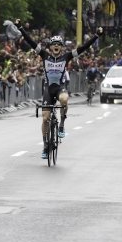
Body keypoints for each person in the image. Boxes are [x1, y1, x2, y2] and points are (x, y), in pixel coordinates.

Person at [17, 20, 103, 159]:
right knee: (45, 118)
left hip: (60, 88)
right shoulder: (44, 55)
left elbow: (83, 48)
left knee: (64, 99)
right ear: (50, 47)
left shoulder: (66, 56)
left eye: (59, 45)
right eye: (54, 45)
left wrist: (96, 36)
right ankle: (45, 145)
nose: (56, 46)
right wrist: (21, 28)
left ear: (62, 47)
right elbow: (31, 42)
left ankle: (62, 124)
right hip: (48, 89)